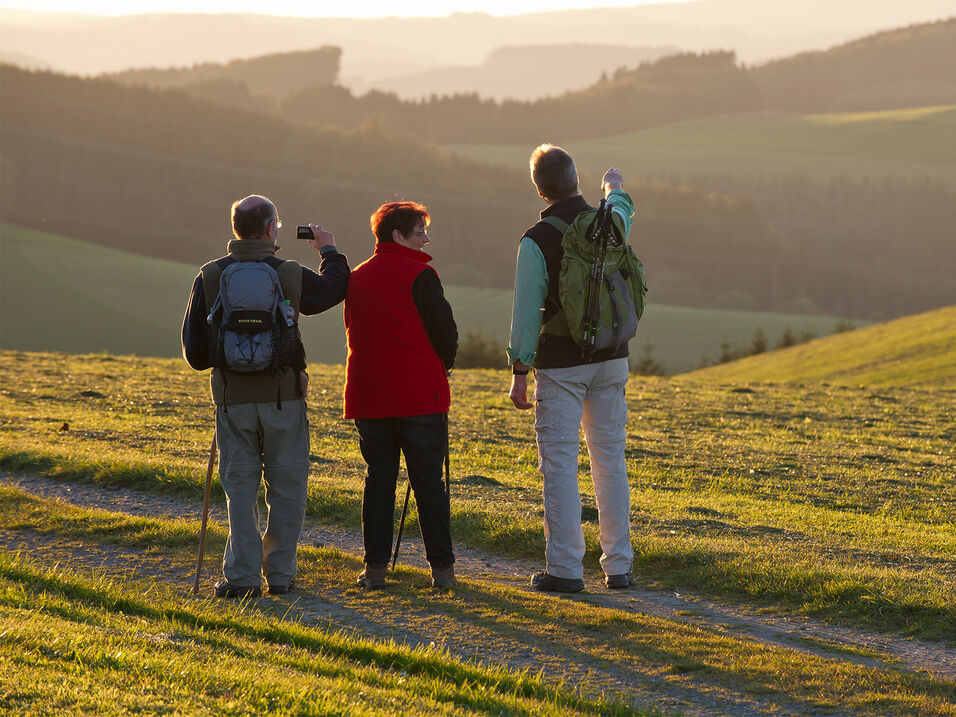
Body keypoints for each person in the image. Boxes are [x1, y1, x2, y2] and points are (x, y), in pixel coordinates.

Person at [182, 194, 350, 599]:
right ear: (273, 229)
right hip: (284, 399)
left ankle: (241, 577)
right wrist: (327, 248)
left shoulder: (210, 275)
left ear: (236, 228)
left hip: (232, 403)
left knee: (239, 488)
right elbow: (334, 289)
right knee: (287, 486)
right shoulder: (289, 273)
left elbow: (195, 354)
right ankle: (280, 575)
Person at [507, 144, 636, 593]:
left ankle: (564, 569)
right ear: (576, 179)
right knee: (610, 462)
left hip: (561, 365)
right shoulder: (608, 221)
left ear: (540, 189)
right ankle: (618, 566)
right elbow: (622, 209)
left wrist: (519, 370)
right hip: (611, 357)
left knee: (560, 465)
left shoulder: (536, 239)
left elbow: (526, 312)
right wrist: (614, 188)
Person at [343, 201, 458, 590]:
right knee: (428, 484)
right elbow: (446, 334)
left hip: (370, 396)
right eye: (419, 231)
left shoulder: (356, 276)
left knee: (379, 480)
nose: (426, 238)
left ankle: (374, 570)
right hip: (419, 397)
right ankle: (441, 572)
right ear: (398, 236)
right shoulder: (421, 275)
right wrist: (446, 365)